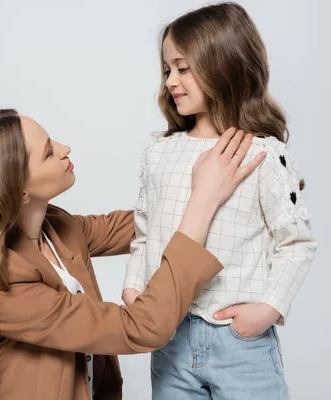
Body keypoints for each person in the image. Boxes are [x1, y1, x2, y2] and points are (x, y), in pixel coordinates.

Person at [0, 108, 264, 400]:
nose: (64, 148)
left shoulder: (56, 226)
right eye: (47, 152)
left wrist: (218, 184)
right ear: (19, 189)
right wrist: (203, 201)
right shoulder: (1, 288)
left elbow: (141, 225)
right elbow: (143, 327)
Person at [122, 3, 317, 399]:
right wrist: (133, 287)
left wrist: (267, 310)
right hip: (170, 338)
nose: (171, 81)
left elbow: (296, 242)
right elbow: (144, 231)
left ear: (223, 64)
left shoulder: (262, 153)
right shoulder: (159, 153)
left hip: (239, 343)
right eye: (166, 70)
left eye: (183, 67)